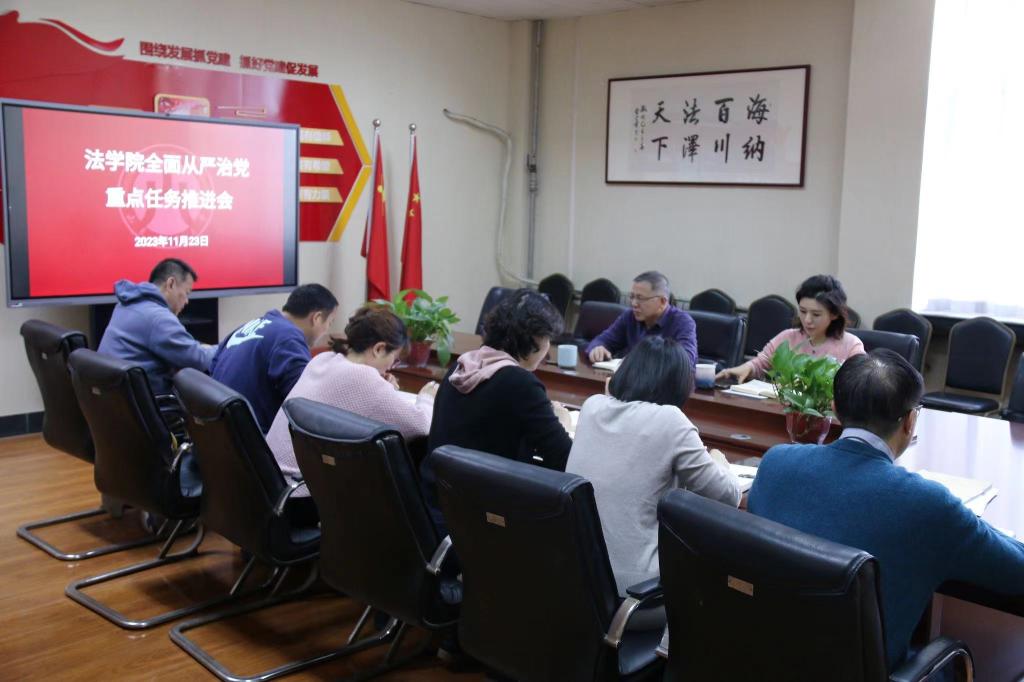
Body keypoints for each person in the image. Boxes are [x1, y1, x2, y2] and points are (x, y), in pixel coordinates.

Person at [749, 349, 1024, 670]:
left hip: (763, 660)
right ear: (910, 421)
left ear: (835, 409)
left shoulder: (775, 463)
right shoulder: (928, 506)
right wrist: (968, 524)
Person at [567, 336, 740, 627]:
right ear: (679, 384)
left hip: (577, 584)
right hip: (635, 599)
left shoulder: (592, 406)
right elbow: (727, 496)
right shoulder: (670, 420)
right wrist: (720, 463)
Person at [265, 304, 438, 525]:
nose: (391, 367)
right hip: (301, 501)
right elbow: (421, 425)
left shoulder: (323, 360)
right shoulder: (363, 379)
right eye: (394, 359)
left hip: (271, 489)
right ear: (379, 349)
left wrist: (381, 387)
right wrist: (427, 398)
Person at [420, 288, 574, 532]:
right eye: (548, 341)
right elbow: (564, 458)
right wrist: (562, 421)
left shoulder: (462, 365)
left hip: (437, 507)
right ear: (536, 340)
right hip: (488, 519)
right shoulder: (520, 383)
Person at [210, 284, 338, 432]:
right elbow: (305, 402)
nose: (327, 330)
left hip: (220, 431)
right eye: (329, 323)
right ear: (317, 318)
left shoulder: (245, 328)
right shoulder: (288, 338)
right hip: (254, 436)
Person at [716, 274, 864, 383]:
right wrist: (746, 368)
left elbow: (858, 386)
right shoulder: (787, 338)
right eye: (803, 311)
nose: (807, 320)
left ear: (834, 314)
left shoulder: (851, 346)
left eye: (816, 314)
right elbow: (761, 363)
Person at [98, 258, 215, 396]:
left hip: (116, 398)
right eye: (186, 293)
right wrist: (224, 348)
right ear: (171, 284)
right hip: (149, 403)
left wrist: (199, 348)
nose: (187, 301)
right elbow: (199, 360)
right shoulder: (158, 318)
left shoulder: (125, 304)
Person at [586, 271, 697, 367]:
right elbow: (602, 340)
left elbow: (686, 361)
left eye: (640, 298)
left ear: (662, 302)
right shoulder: (630, 316)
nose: (634, 303)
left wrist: (643, 362)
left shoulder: (683, 322)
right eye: (632, 297)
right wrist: (597, 348)